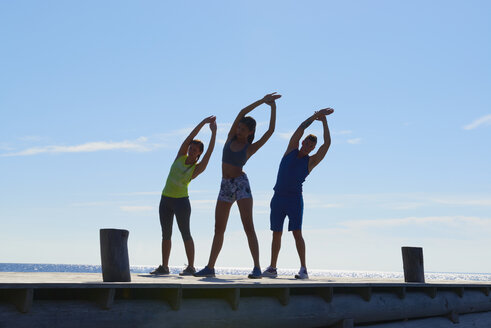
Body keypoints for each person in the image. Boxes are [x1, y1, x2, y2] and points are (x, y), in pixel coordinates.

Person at [194, 93, 281, 279]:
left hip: (241, 184)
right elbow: (242, 111)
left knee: (248, 226)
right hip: (225, 185)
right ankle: (210, 267)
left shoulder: (250, 148)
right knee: (219, 228)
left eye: (243, 129)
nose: (239, 130)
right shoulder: (230, 138)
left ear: (250, 132)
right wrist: (262, 101)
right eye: (239, 127)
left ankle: (257, 268)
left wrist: (273, 108)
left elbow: (271, 131)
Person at [262, 108, 334, 279]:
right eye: (306, 143)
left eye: (311, 146)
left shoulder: (311, 162)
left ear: (313, 148)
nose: (308, 147)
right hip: (278, 197)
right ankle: (272, 268)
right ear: (302, 142)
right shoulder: (290, 150)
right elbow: (301, 127)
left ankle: (303, 269)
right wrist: (315, 116)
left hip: (294, 200)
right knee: (276, 233)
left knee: (297, 233)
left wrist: (324, 122)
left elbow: (327, 145)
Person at [151, 116, 217, 276]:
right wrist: (203, 123)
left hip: (181, 202)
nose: (191, 150)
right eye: (191, 148)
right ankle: (164, 267)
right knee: (165, 233)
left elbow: (209, 153)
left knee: (185, 233)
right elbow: (189, 137)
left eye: (195, 150)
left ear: (199, 153)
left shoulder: (196, 168)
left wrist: (213, 133)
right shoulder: (180, 156)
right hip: (165, 199)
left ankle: (191, 267)